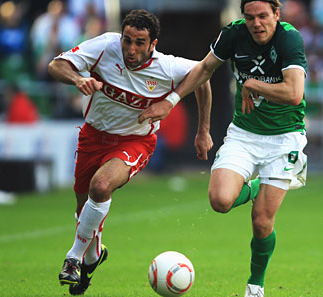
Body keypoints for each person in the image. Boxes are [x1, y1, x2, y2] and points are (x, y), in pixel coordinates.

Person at [139, 1, 307, 296]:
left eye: (263, 16)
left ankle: (255, 285)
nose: (257, 23)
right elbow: (203, 69)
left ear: (276, 15)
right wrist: (172, 102)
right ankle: (256, 188)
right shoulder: (232, 34)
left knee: (262, 222)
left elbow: (294, 93)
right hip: (245, 133)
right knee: (220, 200)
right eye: (250, 17)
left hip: (285, 137)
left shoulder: (289, 38)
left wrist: (254, 84)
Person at [48, 9, 213, 295]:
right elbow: (55, 65)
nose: (131, 49)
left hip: (134, 141)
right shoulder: (104, 46)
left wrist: (200, 128)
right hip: (92, 136)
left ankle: (73, 258)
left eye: (139, 43)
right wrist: (77, 79)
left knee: (100, 187)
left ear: (153, 44)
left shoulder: (168, 67)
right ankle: (91, 258)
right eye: (127, 41)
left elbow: (204, 77)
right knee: (83, 208)